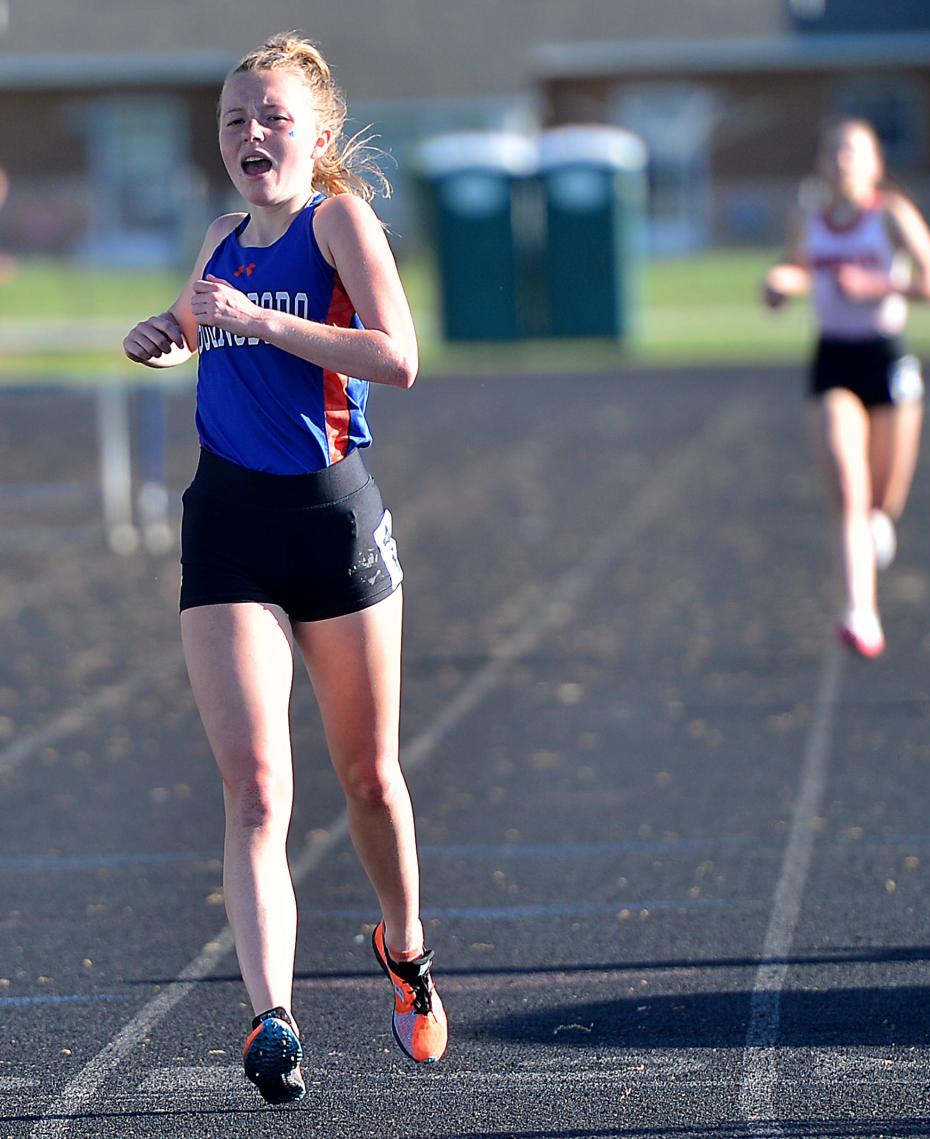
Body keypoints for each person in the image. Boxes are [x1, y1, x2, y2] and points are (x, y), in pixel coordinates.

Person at [122, 31, 447, 1104]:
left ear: (312, 131)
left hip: (332, 522)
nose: (249, 134)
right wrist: (165, 331)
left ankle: (404, 948)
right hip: (229, 526)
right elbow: (194, 319)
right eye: (232, 120)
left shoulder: (338, 223)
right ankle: (276, 1019)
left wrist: (257, 320)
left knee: (370, 780)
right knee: (256, 784)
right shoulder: (220, 234)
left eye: (269, 116)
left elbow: (398, 358)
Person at [763, 117, 930, 658]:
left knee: (883, 501)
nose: (842, 160)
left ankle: (878, 529)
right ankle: (860, 613)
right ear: (824, 163)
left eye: (853, 151)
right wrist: (781, 283)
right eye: (834, 152)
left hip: (885, 356)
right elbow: (800, 269)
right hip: (834, 359)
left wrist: (881, 284)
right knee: (849, 488)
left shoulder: (891, 215)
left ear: (875, 164)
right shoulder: (811, 219)